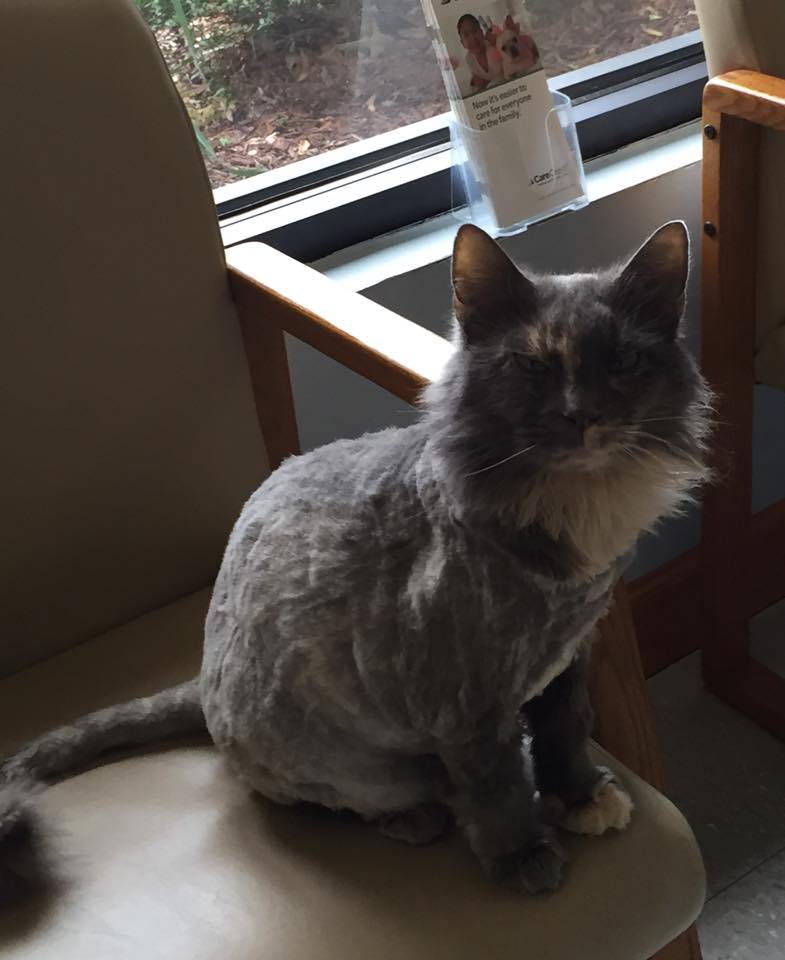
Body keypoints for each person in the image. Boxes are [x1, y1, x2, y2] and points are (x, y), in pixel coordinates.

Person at [457, 13, 502, 93]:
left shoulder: (494, 44)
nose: (473, 38)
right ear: (462, 43)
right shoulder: (469, 59)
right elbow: (479, 82)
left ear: (481, 32)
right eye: (466, 35)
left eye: (475, 31)